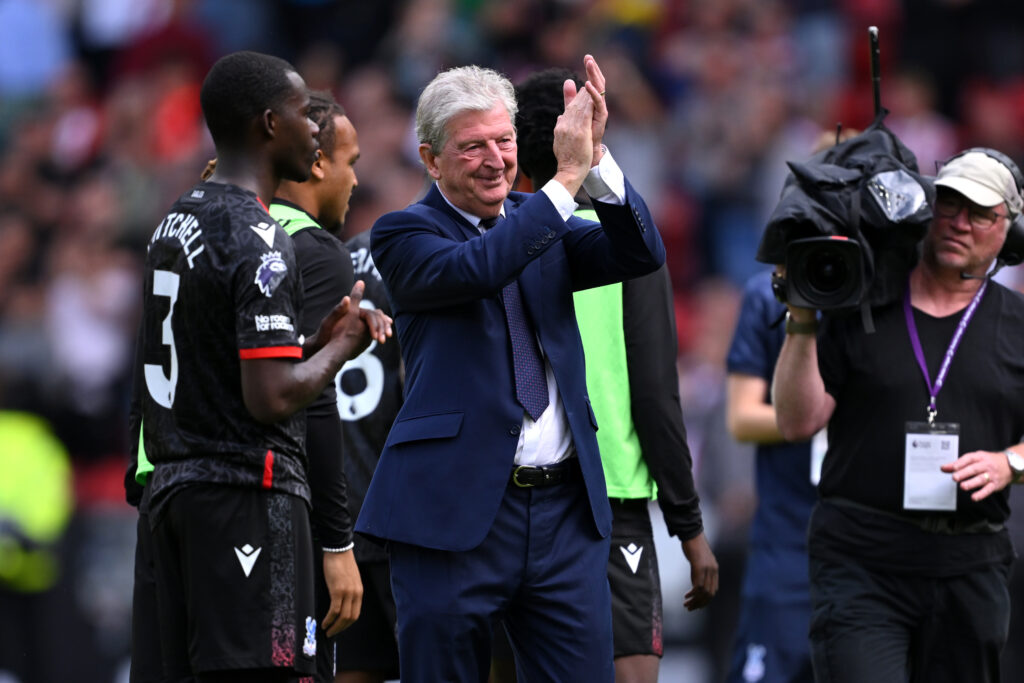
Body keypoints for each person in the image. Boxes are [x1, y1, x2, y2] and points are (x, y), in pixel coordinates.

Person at [355, 55, 666, 682]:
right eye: (473, 148)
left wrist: (597, 159)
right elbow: (482, 267)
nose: (497, 159)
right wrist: (567, 178)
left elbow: (640, 252)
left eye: (504, 141)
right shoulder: (402, 234)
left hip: (565, 515)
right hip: (453, 515)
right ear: (430, 157)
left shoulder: (538, 217)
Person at [127, 51, 389, 683]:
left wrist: (308, 346)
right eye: (305, 116)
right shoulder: (260, 236)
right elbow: (271, 398)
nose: (315, 134)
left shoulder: (176, 220)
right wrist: (340, 348)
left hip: (172, 495)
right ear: (271, 125)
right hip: (245, 499)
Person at [489, 66, 717, 683]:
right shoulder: (625, 248)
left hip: (509, 497)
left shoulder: (493, 245)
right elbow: (653, 393)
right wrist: (689, 527)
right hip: (608, 497)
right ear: (585, 139)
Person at [773, 148, 1024, 683]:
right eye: (948, 204)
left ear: (1010, 229)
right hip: (862, 559)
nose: (959, 223)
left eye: (980, 213)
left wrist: (1012, 463)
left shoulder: (1017, 323)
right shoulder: (859, 303)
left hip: (971, 562)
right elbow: (796, 423)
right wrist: (801, 314)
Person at [268, 90, 369, 682]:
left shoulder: (211, 230)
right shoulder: (316, 250)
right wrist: (337, 544)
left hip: (173, 491)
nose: (356, 180)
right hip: (275, 507)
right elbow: (314, 402)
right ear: (316, 162)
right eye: (351, 161)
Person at [724, 268, 817, 683]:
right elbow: (742, 418)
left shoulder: (895, 290)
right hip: (788, 537)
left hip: (874, 542)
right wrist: (820, 417)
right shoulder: (769, 293)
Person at [335, 216, 405, 682]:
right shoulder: (423, 255)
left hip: (340, 526)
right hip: (406, 526)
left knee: (353, 668)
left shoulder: (332, 264)